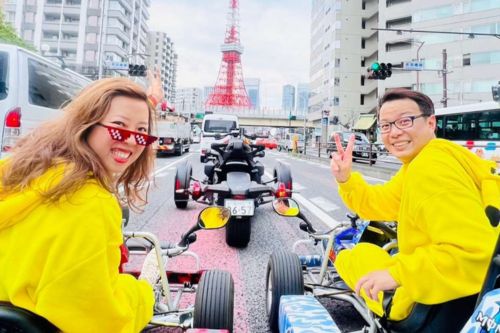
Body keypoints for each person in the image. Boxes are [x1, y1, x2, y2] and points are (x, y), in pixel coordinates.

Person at [0, 73, 164, 332]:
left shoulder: (20, 170)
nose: (132, 140)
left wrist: (152, 98)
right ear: (86, 124)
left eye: (142, 133)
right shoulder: (90, 202)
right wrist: (143, 293)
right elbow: (100, 318)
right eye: (119, 126)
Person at [330, 88, 499, 325]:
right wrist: (346, 178)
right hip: (467, 294)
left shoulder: (429, 169)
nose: (395, 133)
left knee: (351, 256)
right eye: (386, 126)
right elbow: (378, 202)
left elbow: (472, 251)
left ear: (431, 122)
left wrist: (396, 274)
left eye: (405, 121)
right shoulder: (438, 157)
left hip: (430, 303)